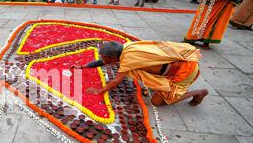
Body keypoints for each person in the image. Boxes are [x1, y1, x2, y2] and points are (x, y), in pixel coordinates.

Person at [70, 41, 208, 107]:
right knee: (139, 75)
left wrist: (100, 91)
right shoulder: (126, 48)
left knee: (157, 102)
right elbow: (103, 61)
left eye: (107, 59)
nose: (105, 61)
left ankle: (197, 93)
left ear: (114, 57)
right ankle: (164, 85)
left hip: (184, 71)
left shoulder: (128, 59)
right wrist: (82, 67)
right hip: (181, 62)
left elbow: (116, 81)